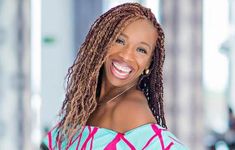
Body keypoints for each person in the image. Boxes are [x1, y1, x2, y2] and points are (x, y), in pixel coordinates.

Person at [41, 3, 188, 150]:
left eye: (141, 50)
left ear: (149, 64)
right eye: (120, 41)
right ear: (103, 42)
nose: (126, 55)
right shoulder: (88, 103)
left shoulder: (132, 109)